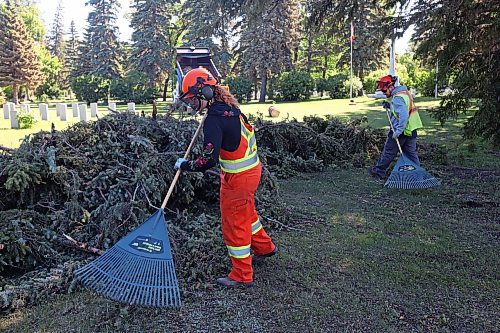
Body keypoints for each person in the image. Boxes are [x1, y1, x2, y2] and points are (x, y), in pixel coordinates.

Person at [174, 67, 278, 287]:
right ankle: (264, 247)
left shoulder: (214, 118)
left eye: (193, 100)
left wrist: (185, 165)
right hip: (251, 172)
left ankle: (242, 274)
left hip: (238, 179)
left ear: (206, 93)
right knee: (247, 214)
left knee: (234, 224)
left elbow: (207, 161)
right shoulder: (230, 107)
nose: (192, 106)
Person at [369, 75, 423, 180]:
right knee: (411, 154)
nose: (384, 94)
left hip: (401, 130)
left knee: (389, 151)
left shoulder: (397, 98)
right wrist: (390, 106)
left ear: (391, 87)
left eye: (385, 91)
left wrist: (398, 131)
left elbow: (404, 115)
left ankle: (379, 171)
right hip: (411, 130)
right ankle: (417, 175)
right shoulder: (404, 93)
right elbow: (403, 108)